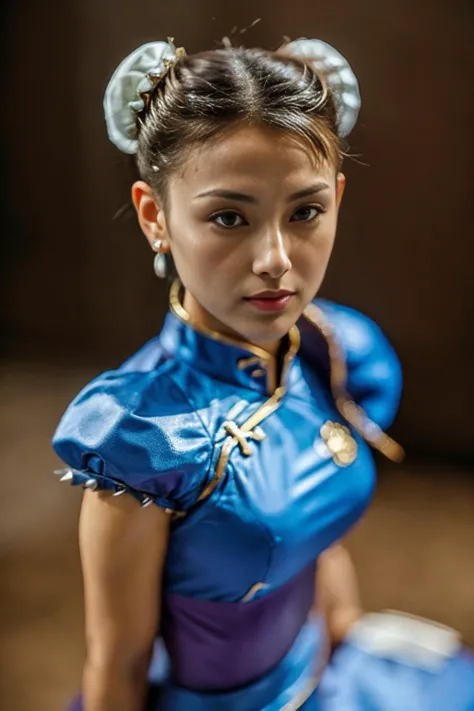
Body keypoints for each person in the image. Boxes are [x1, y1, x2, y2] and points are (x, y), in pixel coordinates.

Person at [52, 37, 474, 711]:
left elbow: (313, 538)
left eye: (305, 211)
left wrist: (348, 650)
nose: (276, 259)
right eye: (228, 217)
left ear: (337, 197)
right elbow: (117, 663)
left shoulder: (328, 349)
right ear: (154, 217)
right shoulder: (145, 440)